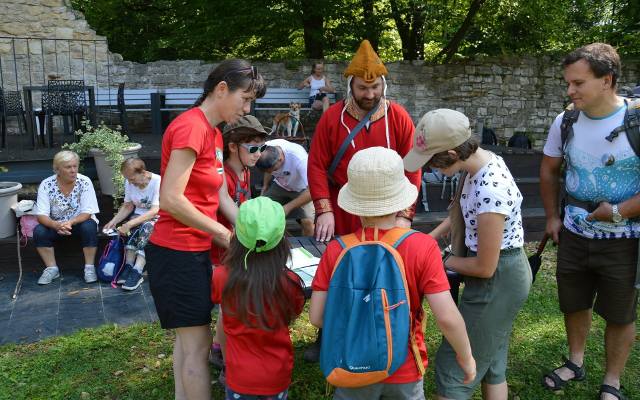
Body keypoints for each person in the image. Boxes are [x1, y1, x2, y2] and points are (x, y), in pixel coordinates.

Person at [309, 147, 475, 400]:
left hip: (351, 365)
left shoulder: (336, 250)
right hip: (405, 367)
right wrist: (466, 357)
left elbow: (317, 317)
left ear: (354, 202)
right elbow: (448, 318)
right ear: (400, 199)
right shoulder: (422, 247)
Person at [145, 59, 265, 400]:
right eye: (245, 98)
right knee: (196, 349)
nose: (247, 108)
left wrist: (250, 226)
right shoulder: (191, 128)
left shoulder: (212, 131)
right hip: (176, 252)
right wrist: (225, 235)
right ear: (222, 88)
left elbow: (220, 193)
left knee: (188, 344)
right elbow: (170, 199)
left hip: (191, 250)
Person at [306, 39, 421, 362]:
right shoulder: (331, 118)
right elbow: (316, 164)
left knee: (382, 273)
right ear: (350, 85)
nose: (369, 94)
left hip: (387, 212)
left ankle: (384, 331)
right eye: (362, 88)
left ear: (384, 84)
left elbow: (411, 166)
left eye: (375, 87)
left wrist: (404, 215)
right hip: (344, 211)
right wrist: (324, 210)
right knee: (341, 272)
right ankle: (328, 332)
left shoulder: (398, 117)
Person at [403, 109, 531, 400]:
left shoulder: (490, 189)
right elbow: (463, 210)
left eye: (432, 162)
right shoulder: (478, 166)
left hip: (499, 279)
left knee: (454, 367)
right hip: (497, 273)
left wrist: (436, 258)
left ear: (451, 153)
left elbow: (485, 266)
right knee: (493, 362)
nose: (430, 169)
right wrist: (427, 239)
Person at [540, 43, 639, 400]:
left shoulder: (637, 120)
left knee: (620, 313)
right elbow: (549, 170)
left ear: (607, 80)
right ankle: (575, 361)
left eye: (578, 83)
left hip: (626, 240)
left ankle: (612, 382)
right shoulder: (565, 120)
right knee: (574, 301)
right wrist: (552, 216)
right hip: (574, 235)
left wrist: (617, 212)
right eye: (568, 83)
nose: (570, 91)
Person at [211, 196, 305, 400]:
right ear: (282, 239)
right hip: (276, 375)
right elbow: (294, 312)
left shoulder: (220, 276)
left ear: (236, 234)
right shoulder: (290, 282)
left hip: (238, 375)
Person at [209, 114, 269, 370]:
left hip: (237, 248)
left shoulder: (244, 170)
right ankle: (220, 354)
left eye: (262, 148)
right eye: (253, 148)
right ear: (233, 146)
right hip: (221, 252)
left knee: (231, 304)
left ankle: (217, 348)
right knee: (229, 306)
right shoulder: (222, 177)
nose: (258, 154)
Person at [33, 150, 100, 285]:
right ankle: (52, 269)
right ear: (57, 169)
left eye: (75, 166)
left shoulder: (84, 182)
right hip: (56, 225)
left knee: (90, 226)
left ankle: (89, 268)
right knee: (39, 231)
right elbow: (41, 215)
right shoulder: (46, 184)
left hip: (79, 223)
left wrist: (71, 222)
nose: (73, 170)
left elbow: (87, 212)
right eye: (68, 167)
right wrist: (56, 225)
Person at [103, 157, 160, 291]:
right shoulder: (130, 182)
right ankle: (128, 266)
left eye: (132, 179)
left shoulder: (158, 181)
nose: (130, 182)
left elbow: (154, 211)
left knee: (146, 227)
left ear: (143, 172)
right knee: (132, 225)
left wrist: (130, 223)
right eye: (128, 179)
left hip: (157, 218)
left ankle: (138, 270)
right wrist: (113, 221)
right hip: (138, 216)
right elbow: (128, 206)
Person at [256, 138, 314, 237]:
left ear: (281, 159)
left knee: (308, 222)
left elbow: (312, 191)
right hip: (280, 185)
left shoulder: (300, 159)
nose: (271, 173)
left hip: (302, 190)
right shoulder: (265, 148)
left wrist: (288, 207)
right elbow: (267, 169)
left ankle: (306, 248)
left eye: (273, 170)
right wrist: (265, 187)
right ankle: (275, 242)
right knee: (260, 210)